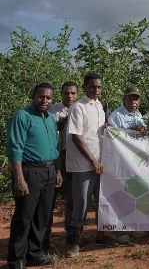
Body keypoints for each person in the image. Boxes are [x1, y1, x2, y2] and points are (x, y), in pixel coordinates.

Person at [6, 82, 61, 268]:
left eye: (48, 97)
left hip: (49, 171)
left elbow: (54, 147)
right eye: (41, 96)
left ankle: (34, 253)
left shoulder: (50, 119)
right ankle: (16, 258)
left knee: (42, 216)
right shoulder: (22, 116)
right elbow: (15, 150)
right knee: (24, 216)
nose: (44, 100)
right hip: (29, 172)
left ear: (53, 100)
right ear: (33, 96)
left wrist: (57, 171)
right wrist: (19, 179)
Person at [65, 73, 117, 258]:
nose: (96, 90)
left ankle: (101, 235)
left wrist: (106, 127)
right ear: (85, 86)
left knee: (102, 200)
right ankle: (75, 241)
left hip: (100, 163)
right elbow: (77, 137)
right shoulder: (78, 107)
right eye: (93, 87)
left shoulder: (99, 107)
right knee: (81, 202)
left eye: (99, 87)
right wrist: (93, 161)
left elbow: (96, 132)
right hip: (83, 165)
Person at [108, 87, 148, 241]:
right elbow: (113, 135)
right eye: (130, 99)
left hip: (136, 162)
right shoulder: (116, 115)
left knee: (135, 193)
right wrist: (132, 130)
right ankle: (118, 230)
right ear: (124, 99)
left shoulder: (139, 115)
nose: (133, 102)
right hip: (120, 161)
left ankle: (133, 227)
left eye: (136, 99)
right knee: (120, 194)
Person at [44, 81, 79, 249]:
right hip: (53, 162)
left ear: (77, 94)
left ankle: (71, 235)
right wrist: (56, 127)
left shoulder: (79, 110)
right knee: (48, 201)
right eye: (67, 93)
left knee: (71, 199)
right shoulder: (52, 111)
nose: (70, 96)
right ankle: (44, 238)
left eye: (73, 93)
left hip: (72, 161)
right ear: (61, 93)